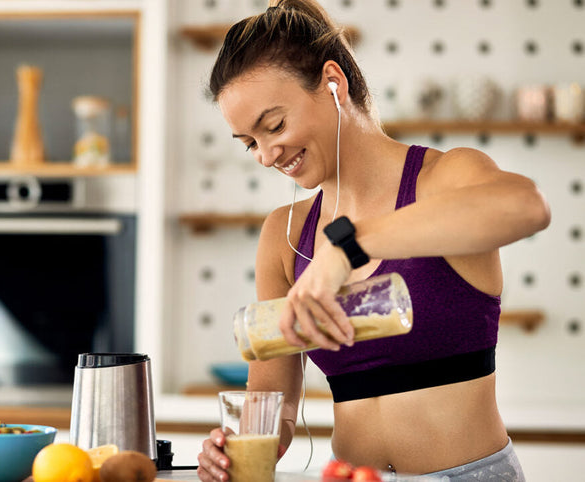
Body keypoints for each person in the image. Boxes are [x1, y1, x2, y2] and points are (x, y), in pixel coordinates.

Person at [196, 1, 551, 481]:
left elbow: (527, 207)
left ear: (332, 82)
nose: (265, 156)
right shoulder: (286, 236)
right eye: (249, 142)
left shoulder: (443, 179)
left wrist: (348, 247)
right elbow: (272, 407)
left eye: (274, 126)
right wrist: (238, 444)